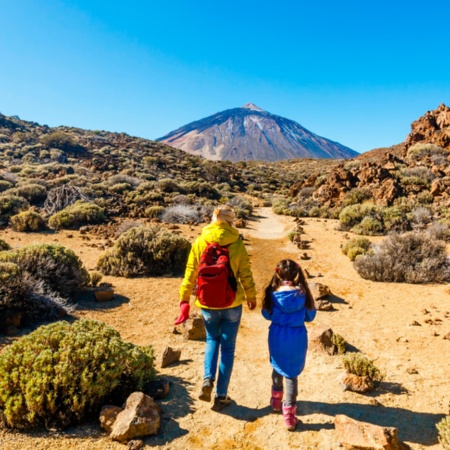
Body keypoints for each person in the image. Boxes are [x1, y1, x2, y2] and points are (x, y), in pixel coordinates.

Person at [175, 205, 257, 411]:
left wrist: (184, 298)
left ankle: (207, 380)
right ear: (231, 221)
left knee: (212, 340)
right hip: (232, 304)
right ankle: (221, 395)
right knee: (228, 348)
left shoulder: (200, 240)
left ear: (213, 219)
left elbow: (190, 272)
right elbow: (245, 272)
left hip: (207, 304)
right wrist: (251, 296)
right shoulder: (237, 243)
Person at [262, 259, 316, 431]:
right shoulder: (303, 294)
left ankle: (276, 402)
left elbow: (266, 314)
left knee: (277, 366)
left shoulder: (272, 294)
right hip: (296, 337)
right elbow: (310, 316)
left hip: (277, 336)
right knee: (291, 373)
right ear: (297, 274)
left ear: (277, 273)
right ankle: (289, 417)